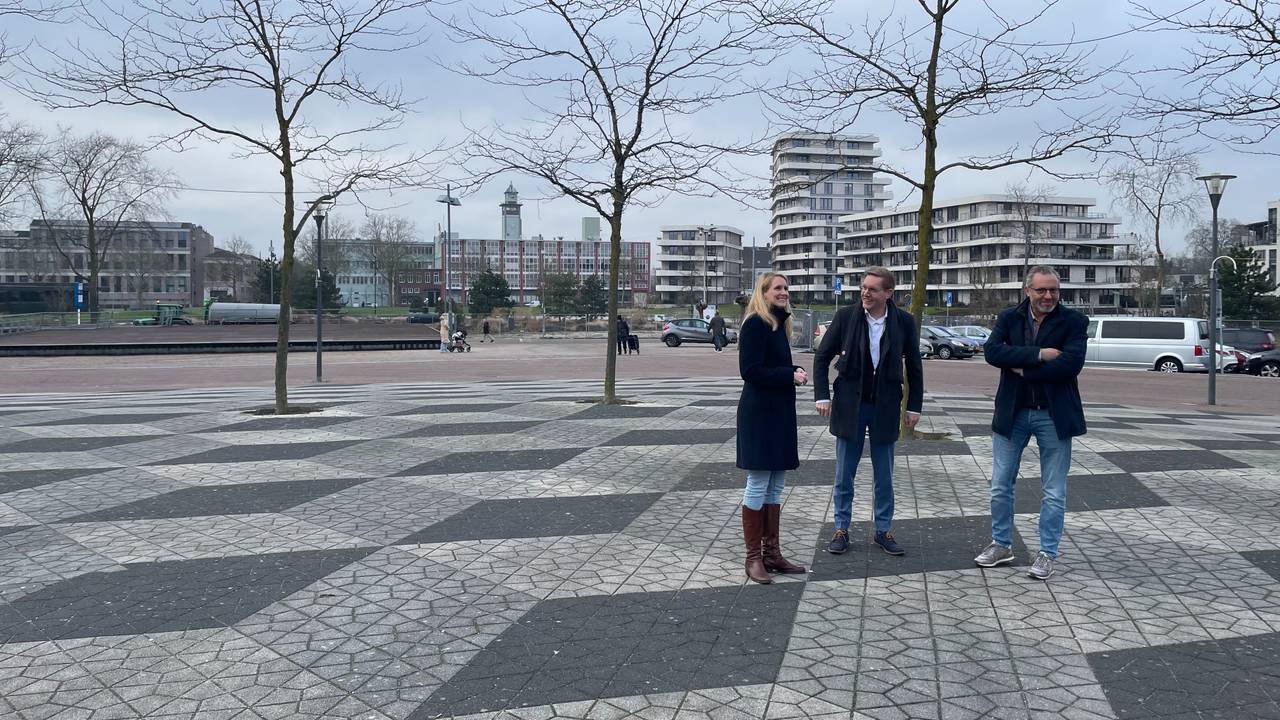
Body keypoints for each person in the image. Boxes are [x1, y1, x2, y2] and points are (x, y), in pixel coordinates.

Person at [974, 265, 1087, 581]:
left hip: (1054, 415)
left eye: (1053, 290)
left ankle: (1047, 553)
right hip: (1013, 413)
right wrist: (1040, 354)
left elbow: (1071, 364)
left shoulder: (1074, 322)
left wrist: (1026, 368)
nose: (1048, 296)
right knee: (1000, 485)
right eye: (1041, 290)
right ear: (1028, 291)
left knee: (1053, 490)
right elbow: (993, 352)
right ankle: (1001, 544)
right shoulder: (1009, 318)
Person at [812, 266, 923, 557]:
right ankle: (841, 529)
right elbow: (822, 357)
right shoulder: (846, 317)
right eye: (863, 287)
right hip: (850, 406)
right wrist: (822, 396)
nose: (865, 293)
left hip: (885, 407)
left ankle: (883, 530)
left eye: (872, 289)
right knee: (844, 474)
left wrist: (914, 406)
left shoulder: (904, 322)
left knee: (884, 475)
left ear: (888, 293)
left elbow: (914, 366)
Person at [736, 272, 809, 584]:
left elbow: (771, 366)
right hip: (759, 415)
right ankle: (753, 557)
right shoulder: (756, 323)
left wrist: (793, 370)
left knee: (776, 484)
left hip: (779, 413)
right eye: (778, 288)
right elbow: (750, 371)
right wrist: (788, 375)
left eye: (786, 288)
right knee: (758, 482)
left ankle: (772, 554)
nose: (784, 292)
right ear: (763, 293)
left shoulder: (780, 324)